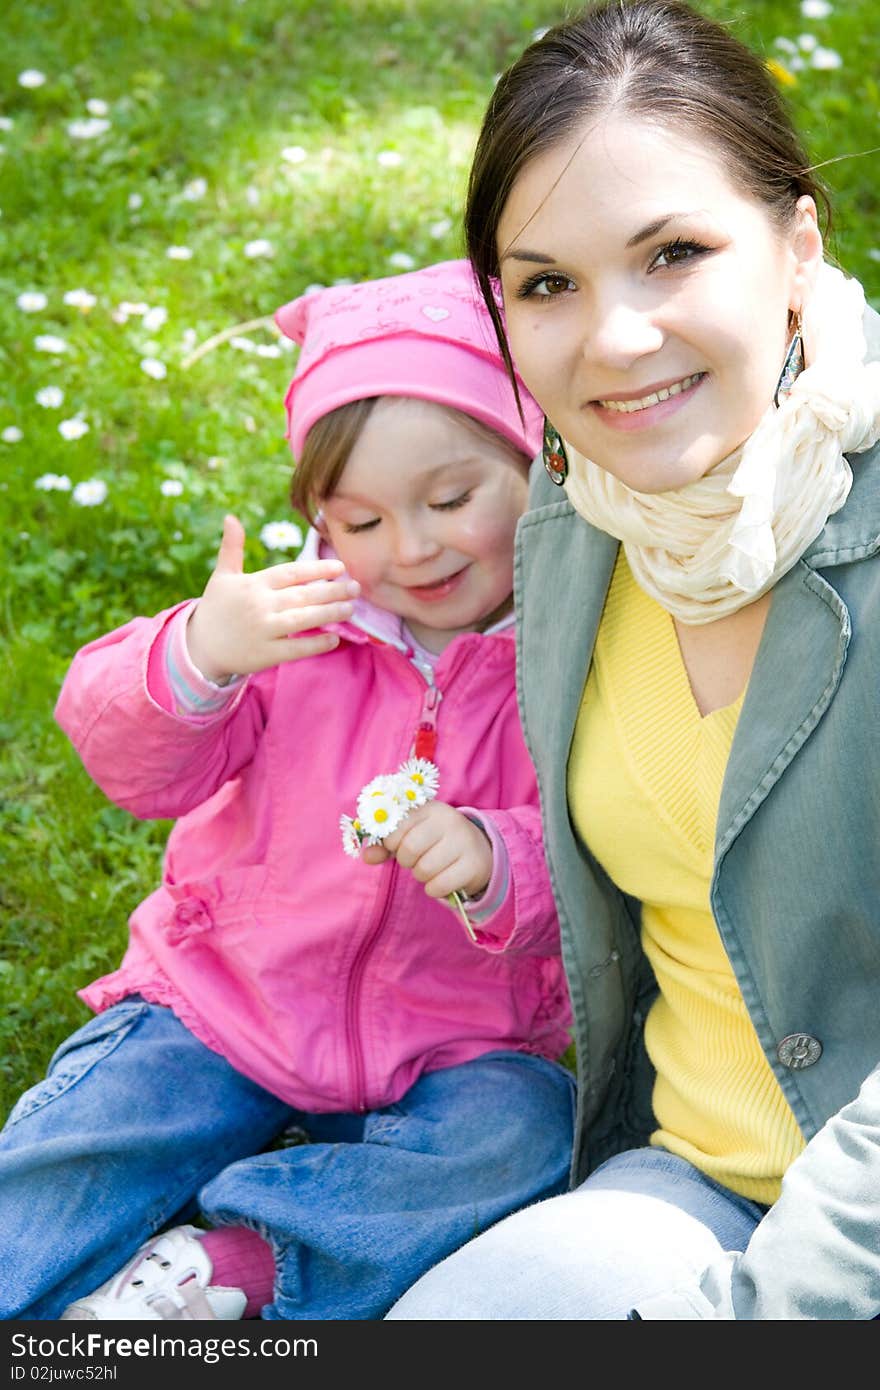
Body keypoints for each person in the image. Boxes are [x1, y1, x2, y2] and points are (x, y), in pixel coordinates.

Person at [385, 0, 880, 1321]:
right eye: (549, 283)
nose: (612, 341)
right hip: (691, 1182)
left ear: (796, 247)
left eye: (672, 254)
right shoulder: (575, 525)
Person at [0, 258, 576, 1321]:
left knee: (524, 1139)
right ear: (317, 518)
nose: (410, 547)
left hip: (459, 1038)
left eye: (449, 498)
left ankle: (233, 1268)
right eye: (358, 522)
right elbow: (135, 767)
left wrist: (500, 858)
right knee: (92, 1136)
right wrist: (199, 657)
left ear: (535, 458)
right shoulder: (287, 632)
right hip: (226, 1000)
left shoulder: (576, 654)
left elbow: (611, 851)